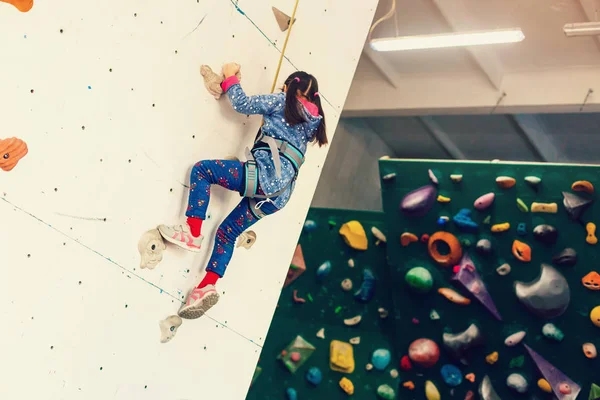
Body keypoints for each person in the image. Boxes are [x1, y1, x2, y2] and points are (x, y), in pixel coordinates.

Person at [158, 63, 327, 319]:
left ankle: (192, 232)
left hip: (262, 176)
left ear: (289, 86)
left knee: (203, 171)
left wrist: (229, 76)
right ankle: (206, 287)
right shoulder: (310, 124)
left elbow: (242, 104)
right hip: (278, 196)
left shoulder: (282, 100)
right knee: (227, 233)